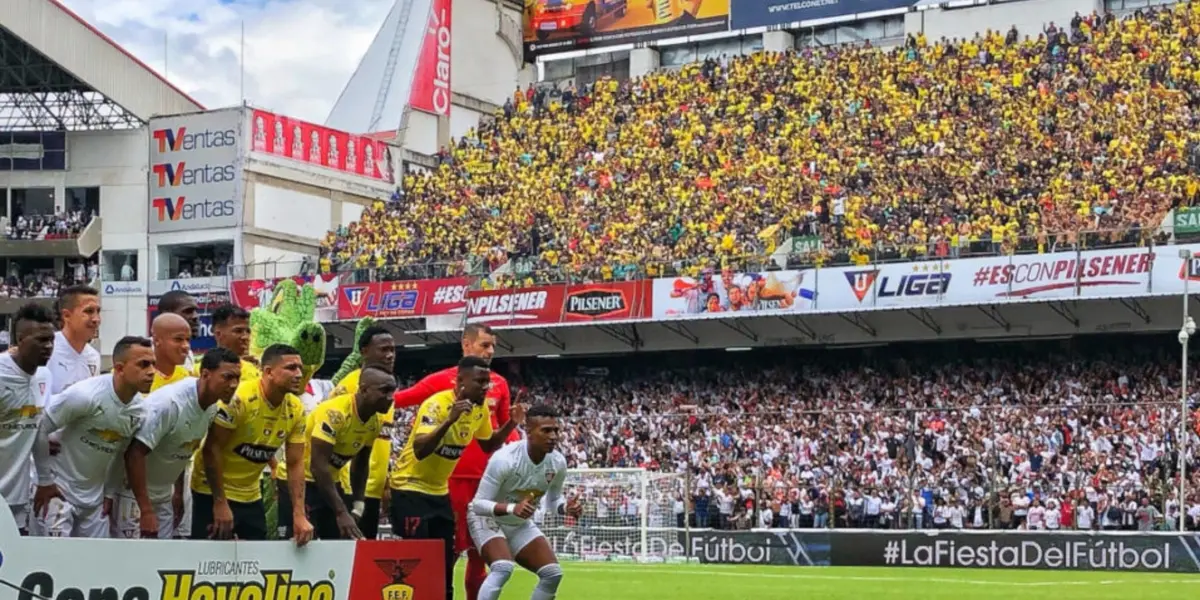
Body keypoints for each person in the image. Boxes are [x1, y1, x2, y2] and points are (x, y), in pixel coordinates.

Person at [393, 324, 516, 600]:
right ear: (466, 345)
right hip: (444, 482)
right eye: (485, 345)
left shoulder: (498, 386)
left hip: (483, 481)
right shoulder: (441, 384)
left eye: (493, 346)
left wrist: (518, 448)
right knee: (441, 552)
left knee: (478, 552)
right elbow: (399, 400)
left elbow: (499, 434)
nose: (491, 351)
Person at [31, 336, 155, 537]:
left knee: (93, 565)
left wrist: (109, 493)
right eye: (143, 364)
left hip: (95, 502)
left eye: (153, 364)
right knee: (54, 564)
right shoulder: (84, 396)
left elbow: (120, 453)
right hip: (58, 493)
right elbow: (39, 428)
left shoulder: (140, 411)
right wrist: (44, 481)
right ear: (120, 368)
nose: (151, 372)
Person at [190, 344, 313, 544]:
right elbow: (212, 449)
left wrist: (299, 515)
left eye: (300, 368)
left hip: (250, 495)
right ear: (268, 372)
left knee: (255, 561)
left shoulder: (296, 408)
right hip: (211, 491)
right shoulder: (239, 399)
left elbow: (295, 463)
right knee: (210, 562)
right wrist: (219, 502)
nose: (299, 374)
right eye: (291, 368)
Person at [117, 349, 242, 539]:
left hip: (164, 497)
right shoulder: (170, 404)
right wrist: (146, 509)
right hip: (133, 497)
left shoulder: (212, 407)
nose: (233, 385)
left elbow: (182, 446)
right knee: (132, 563)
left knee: (162, 562)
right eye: (227, 377)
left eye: (237, 378)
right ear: (206, 374)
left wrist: (178, 493)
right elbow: (134, 453)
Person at [470, 405, 580, 600]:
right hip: (488, 518)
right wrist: (513, 508)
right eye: (546, 430)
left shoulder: (558, 462)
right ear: (529, 432)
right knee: (502, 567)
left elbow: (553, 501)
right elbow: (478, 505)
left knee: (552, 574)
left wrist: (566, 508)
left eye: (556, 430)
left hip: (518, 523)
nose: (553, 436)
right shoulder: (504, 459)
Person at [303, 365, 396, 540]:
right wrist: (341, 511)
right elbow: (318, 466)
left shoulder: (375, 421)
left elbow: (360, 464)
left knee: (338, 544)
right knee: (304, 545)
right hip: (304, 482)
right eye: (384, 391)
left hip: (331, 482)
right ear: (364, 390)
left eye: (393, 391)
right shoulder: (334, 413)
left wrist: (358, 505)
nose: (390, 398)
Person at [330, 325, 395, 539]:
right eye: (383, 349)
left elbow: (381, 440)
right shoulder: (350, 385)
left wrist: (385, 481)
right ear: (365, 351)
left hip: (373, 488)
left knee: (366, 558)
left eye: (392, 350)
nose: (389, 355)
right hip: (350, 488)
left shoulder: (386, 389)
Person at [0, 303, 55, 534]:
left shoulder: (44, 376)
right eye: (41, 340)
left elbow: (37, 430)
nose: (49, 346)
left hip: (17, 498)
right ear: (20, 339)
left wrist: (45, 479)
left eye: (51, 339)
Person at [49, 285, 101, 394]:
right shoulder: (46, 351)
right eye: (89, 311)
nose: (96, 319)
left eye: (98, 311)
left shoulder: (94, 356)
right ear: (67, 316)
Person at [208, 304, 260, 381]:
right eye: (238, 331)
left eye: (248, 331)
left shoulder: (259, 368)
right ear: (218, 334)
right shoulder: (202, 369)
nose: (245, 337)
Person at [157, 289, 199, 372]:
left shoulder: (188, 354)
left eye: (196, 311)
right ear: (166, 315)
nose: (195, 316)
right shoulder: (147, 351)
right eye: (188, 311)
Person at [150, 313, 192, 391]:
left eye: (188, 340)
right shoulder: (143, 379)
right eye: (178, 339)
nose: (186, 346)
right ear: (157, 340)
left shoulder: (186, 378)